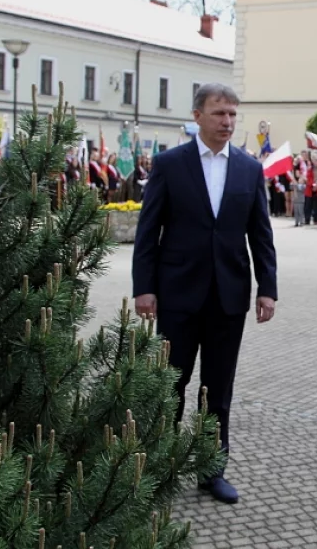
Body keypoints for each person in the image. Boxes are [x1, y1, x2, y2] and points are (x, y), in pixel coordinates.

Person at [132, 83, 278, 504]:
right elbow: (148, 233)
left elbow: (261, 235)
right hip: (177, 295)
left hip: (228, 298)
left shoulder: (250, 169)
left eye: (233, 114)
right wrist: (144, 288)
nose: (227, 122)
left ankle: (212, 470)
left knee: (218, 390)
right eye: (219, 114)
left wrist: (267, 289)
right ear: (197, 115)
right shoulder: (169, 164)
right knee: (170, 387)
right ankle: (157, 468)